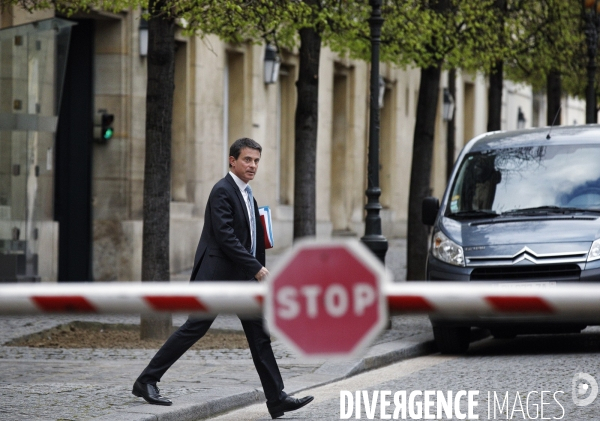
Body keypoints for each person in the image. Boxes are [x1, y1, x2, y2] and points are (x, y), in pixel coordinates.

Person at [132, 138, 313, 419]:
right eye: (247, 160)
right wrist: (256, 268)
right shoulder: (222, 191)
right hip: (217, 276)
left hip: (242, 279)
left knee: (259, 335)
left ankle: (276, 399)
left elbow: (251, 238)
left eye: (256, 161)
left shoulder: (247, 194)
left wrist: (255, 271)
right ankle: (146, 381)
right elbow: (226, 237)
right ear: (232, 160)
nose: (252, 165)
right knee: (195, 328)